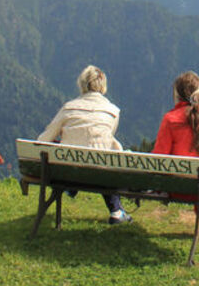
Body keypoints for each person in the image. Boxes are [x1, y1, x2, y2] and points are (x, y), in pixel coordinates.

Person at [37, 65, 132, 224]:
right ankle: (116, 211)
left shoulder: (68, 108)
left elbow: (43, 140)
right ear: (103, 86)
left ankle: (71, 189)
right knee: (103, 155)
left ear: (81, 84)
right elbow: (107, 138)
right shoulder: (113, 111)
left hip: (68, 174)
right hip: (101, 175)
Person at [152, 71, 199, 237]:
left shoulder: (171, 119)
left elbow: (158, 158)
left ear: (177, 96)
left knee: (194, 180)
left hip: (180, 187)